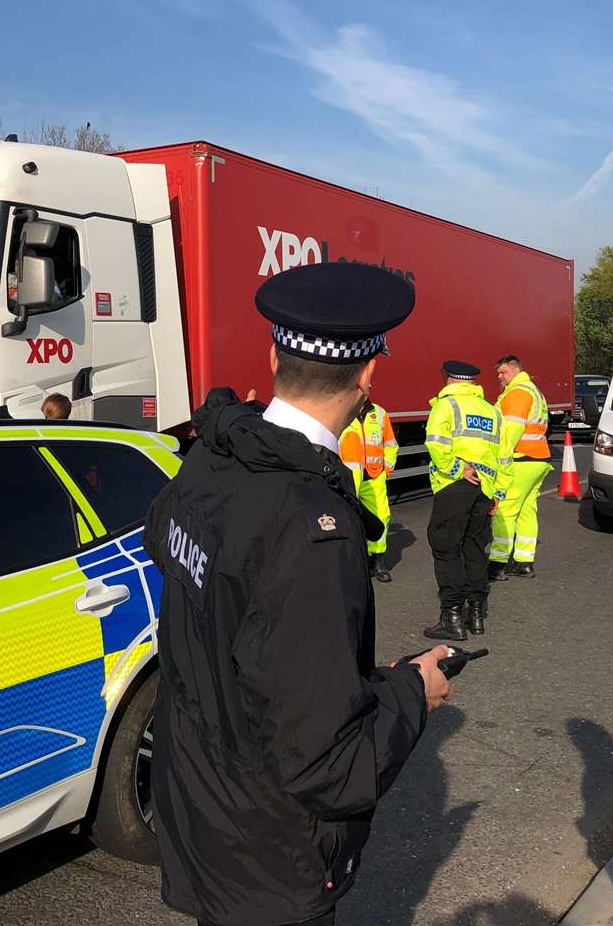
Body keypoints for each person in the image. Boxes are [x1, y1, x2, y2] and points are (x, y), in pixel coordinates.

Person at [145, 261, 452, 926]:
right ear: (368, 375)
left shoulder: (217, 454)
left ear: (273, 354)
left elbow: (169, 544)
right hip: (269, 858)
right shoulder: (313, 526)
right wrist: (410, 693)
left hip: (202, 806)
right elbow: (327, 765)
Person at [423, 361, 503, 638]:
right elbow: (503, 457)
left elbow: (435, 443)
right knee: (475, 549)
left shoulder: (446, 405)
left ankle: (452, 620)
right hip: (485, 490)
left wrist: (457, 469)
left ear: (448, 379)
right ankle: (476, 615)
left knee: (446, 549)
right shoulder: (492, 410)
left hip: (454, 486)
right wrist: (497, 494)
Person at [489, 354, 552, 580]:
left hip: (521, 458)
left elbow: (510, 434)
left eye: (503, 372)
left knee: (505, 510)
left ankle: (498, 563)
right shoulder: (534, 391)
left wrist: (498, 462)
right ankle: (525, 561)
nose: (499, 377)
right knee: (527, 511)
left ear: (515, 371)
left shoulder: (517, 393)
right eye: (498, 373)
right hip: (538, 459)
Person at [340, 395, 399, 582]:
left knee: (381, 516)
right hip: (349, 477)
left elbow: (390, 444)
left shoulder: (379, 414)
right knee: (349, 519)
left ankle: (378, 560)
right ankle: (355, 561)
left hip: (374, 478)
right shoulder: (340, 411)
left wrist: (386, 469)